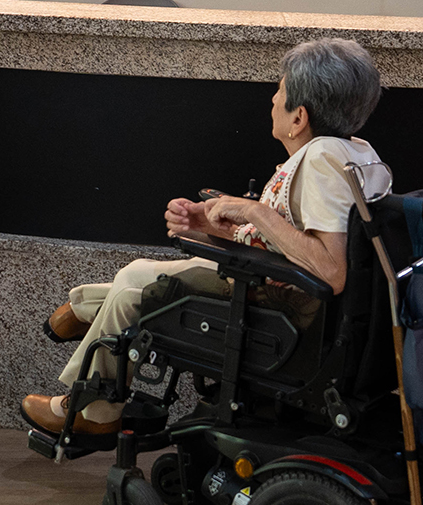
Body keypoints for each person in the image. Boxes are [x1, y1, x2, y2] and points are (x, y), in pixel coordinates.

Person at [20, 38, 390, 438]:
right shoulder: (356, 151)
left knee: (133, 284)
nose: (272, 97)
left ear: (299, 117)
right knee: (145, 274)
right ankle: (79, 310)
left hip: (285, 318)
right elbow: (294, 241)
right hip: (288, 296)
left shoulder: (321, 162)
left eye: (279, 90)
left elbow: (331, 269)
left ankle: (94, 408)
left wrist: (254, 211)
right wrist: (210, 225)